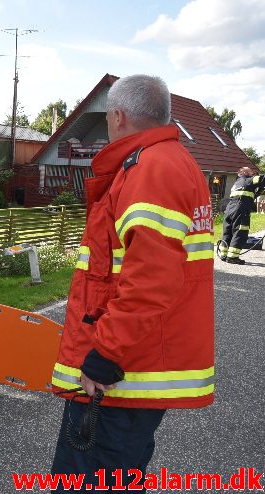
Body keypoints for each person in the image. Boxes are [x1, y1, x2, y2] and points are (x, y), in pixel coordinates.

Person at [50, 75, 215, 491]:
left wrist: (105, 351)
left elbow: (150, 281)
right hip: (135, 360)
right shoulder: (169, 162)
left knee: (91, 478)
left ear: (119, 116)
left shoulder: (151, 169)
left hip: (122, 370)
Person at [220, 167, 264, 264]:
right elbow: (262, 179)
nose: (252, 173)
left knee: (228, 231)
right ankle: (232, 257)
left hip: (229, 209)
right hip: (240, 209)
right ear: (244, 172)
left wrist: (259, 191)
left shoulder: (237, 183)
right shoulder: (248, 180)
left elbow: (251, 194)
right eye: (250, 171)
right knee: (240, 231)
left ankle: (224, 254)